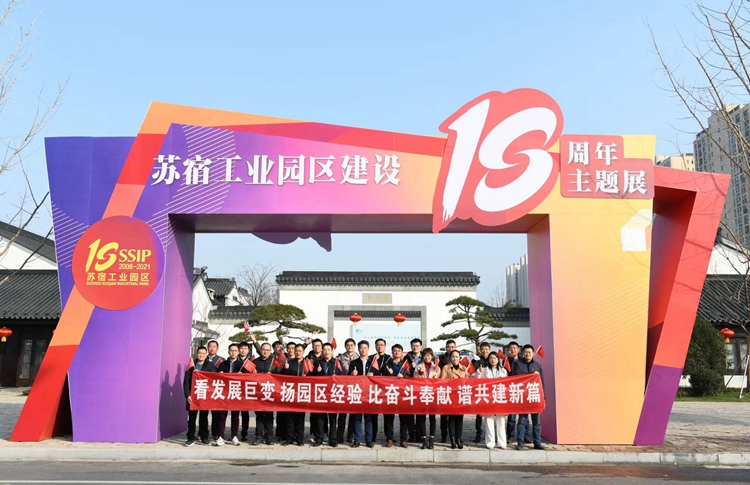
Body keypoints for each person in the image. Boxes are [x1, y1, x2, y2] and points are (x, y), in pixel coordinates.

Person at [309, 343, 342, 447]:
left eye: (329, 350)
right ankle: (319, 438)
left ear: (332, 351)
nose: (327, 352)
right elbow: (312, 377)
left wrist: (337, 377)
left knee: (333, 419)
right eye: (325, 350)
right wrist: (317, 372)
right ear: (322, 352)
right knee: (320, 418)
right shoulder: (318, 363)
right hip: (321, 395)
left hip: (333, 394)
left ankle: (333, 439)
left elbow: (343, 377)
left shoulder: (337, 362)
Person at [513, 344, 545, 451]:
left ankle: (537, 442)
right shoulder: (517, 364)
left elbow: (542, 382)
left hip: (535, 396)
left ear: (533, 353)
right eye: (525, 352)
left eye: (529, 352)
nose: (527, 354)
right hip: (523, 396)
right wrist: (532, 375)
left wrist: (543, 397)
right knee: (522, 421)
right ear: (522, 353)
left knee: (537, 422)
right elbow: (517, 378)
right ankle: (520, 442)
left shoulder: (538, 366)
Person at [183, 346, 216, 446]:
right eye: (199, 353)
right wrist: (187, 395)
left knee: (204, 418)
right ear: (196, 354)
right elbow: (186, 382)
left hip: (204, 396)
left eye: (203, 353)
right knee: (192, 419)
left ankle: (204, 437)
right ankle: (190, 438)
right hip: (193, 397)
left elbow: (214, 380)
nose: (201, 355)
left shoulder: (210, 366)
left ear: (206, 355)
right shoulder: (191, 366)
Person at [382, 343, 412, 448]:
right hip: (390, 393)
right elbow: (381, 378)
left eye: (399, 351)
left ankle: (403, 439)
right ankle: (389, 439)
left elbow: (411, 377)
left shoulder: (405, 364)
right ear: (392, 352)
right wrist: (388, 374)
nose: (397, 352)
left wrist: (404, 376)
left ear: (402, 352)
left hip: (403, 394)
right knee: (388, 419)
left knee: (404, 419)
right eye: (395, 350)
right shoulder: (387, 363)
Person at [349, 340, 376, 448]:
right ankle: (357, 439)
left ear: (368, 349)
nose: (363, 350)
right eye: (361, 348)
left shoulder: (373, 363)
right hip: (357, 393)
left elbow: (379, 376)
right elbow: (347, 378)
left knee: (369, 418)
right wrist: (352, 374)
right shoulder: (354, 363)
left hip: (369, 394)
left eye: (365, 348)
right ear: (358, 349)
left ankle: (369, 440)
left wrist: (374, 375)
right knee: (357, 418)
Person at [479, 351, 508, 450]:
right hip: (488, 398)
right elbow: (478, 382)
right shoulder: (484, 370)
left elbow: (506, 384)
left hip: (500, 397)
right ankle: (490, 443)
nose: (493, 360)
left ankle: (502, 442)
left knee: (501, 420)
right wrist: (479, 372)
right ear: (488, 360)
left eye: (495, 358)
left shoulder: (503, 371)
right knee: (489, 420)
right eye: (491, 358)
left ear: (498, 359)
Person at [440, 349, 468, 449]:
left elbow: (468, 382)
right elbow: (442, 381)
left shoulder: (464, 368)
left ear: (460, 358)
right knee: (451, 419)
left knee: (459, 419)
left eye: (457, 357)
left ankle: (458, 439)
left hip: (460, 396)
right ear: (450, 358)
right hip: (450, 396)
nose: (455, 359)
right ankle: (452, 439)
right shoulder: (446, 368)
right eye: (453, 357)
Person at [216, 344, 243, 446]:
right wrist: (219, 374)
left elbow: (248, 379)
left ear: (238, 352)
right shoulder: (222, 364)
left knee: (235, 416)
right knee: (222, 416)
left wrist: (242, 376)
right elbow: (216, 378)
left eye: (235, 350)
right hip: (224, 392)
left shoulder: (241, 365)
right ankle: (221, 436)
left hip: (236, 392)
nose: (233, 352)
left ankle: (234, 436)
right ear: (228, 352)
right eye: (231, 350)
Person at [413, 347, 439, 449]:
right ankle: (423, 439)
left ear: (432, 356)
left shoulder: (436, 367)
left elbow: (440, 381)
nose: (427, 357)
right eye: (425, 355)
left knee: (432, 418)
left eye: (429, 355)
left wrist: (436, 377)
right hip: (422, 395)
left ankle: (431, 439)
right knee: (421, 418)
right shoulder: (419, 366)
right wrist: (420, 374)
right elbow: (414, 380)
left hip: (432, 395)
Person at [282, 343, 308, 446]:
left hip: (302, 394)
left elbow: (313, 376)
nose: (298, 352)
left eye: (300, 351)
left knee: (300, 419)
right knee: (290, 418)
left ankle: (299, 439)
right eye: (296, 350)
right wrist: (285, 369)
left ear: (303, 352)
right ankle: (289, 438)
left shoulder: (307, 363)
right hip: (291, 393)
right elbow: (282, 378)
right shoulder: (289, 362)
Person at [251, 342, 276, 446]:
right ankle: (259, 436)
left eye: (267, 350)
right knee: (259, 416)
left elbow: (281, 375)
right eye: (263, 349)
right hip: (259, 393)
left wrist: (273, 375)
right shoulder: (255, 362)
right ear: (260, 350)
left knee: (269, 416)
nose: (265, 352)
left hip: (271, 393)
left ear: (270, 351)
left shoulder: (274, 362)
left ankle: (269, 437)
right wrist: (253, 375)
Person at [335, 338, 359, 444]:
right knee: (342, 415)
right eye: (348, 345)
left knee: (353, 415)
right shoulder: (339, 358)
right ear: (345, 346)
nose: (350, 347)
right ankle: (339, 436)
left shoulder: (359, 358)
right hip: (343, 388)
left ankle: (350, 435)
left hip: (354, 389)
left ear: (355, 346)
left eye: (351, 345)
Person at [368, 338, 390, 446]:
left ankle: (389, 437)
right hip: (374, 390)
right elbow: (368, 372)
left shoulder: (389, 358)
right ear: (375, 346)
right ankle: (372, 436)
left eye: (382, 345)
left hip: (386, 390)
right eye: (378, 345)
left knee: (388, 415)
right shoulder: (370, 358)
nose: (380, 346)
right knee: (373, 415)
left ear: (385, 346)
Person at [403, 338, 423, 442]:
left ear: (421, 347)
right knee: (409, 414)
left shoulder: (425, 357)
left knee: (420, 414)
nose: (415, 347)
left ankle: (419, 435)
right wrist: (411, 368)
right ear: (411, 347)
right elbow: (403, 371)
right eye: (413, 346)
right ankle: (411, 435)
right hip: (410, 389)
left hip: (422, 389)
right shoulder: (406, 358)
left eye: (417, 346)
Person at [437, 339, 457, 443]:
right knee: (444, 415)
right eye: (448, 347)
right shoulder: (440, 359)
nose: (450, 349)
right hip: (444, 390)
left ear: (455, 347)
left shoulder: (459, 358)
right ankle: (443, 435)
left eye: (452, 347)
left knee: (455, 415)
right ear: (446, 348)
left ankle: (455, 436)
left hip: (456, 391)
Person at [472, 341, 492, 443]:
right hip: (479, 390)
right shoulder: (476, 360)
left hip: (491, 390)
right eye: (483, 349)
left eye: (486, 349)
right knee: (479, 414)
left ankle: (490, 434)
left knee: (491, 414)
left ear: (489, 350)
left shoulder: (492, 359)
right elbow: (472, 372)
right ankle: (478, 433)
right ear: (480, 350)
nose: (484, 351)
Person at [206, 340, 224, 443]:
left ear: (217, 348)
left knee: (216, 413)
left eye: (214, 347)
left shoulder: (222, 361)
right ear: (207, 348)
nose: (212, 348)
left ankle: (215, 433)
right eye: (210, 346)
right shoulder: (202, 359)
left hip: (216, 389)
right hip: (205, 389)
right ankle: (202, 433)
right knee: (203, 413)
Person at [504, 341, 522, 444]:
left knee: (523, 416)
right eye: (510, 348)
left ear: (518, 349)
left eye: (514, 348)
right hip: (511, 391)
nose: (512, 350)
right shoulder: (505, 361)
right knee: (512, 416)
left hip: (522, 390)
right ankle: (510, 436)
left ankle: (524, 435)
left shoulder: (522, 361)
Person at [237, 342, 252, 441]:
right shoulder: (233, 360)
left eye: (245, 348)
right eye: (241, 348)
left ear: (248, 350)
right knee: (235, 413)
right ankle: (234, 433)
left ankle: (244, 432)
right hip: (235, 389)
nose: (243, 350)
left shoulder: (251, 362)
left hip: (246, 390)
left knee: (245, 413)